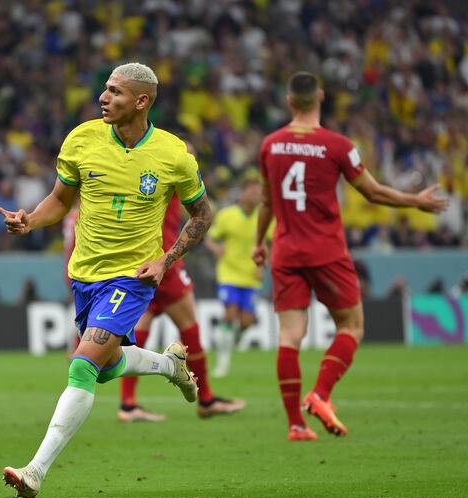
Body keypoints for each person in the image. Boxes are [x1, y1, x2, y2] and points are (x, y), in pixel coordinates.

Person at [0, 62, 213, 498]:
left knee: (83, 364)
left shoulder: (173, 155)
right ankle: (170, 366)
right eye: (105, 90)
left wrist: (166, 261)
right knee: (108, 366)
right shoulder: (81, 139)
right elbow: (59, 199)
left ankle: (35, 470)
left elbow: (202, 214)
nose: (103, 98)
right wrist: (29, 220)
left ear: (142, 101)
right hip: (85, 274)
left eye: (114, 92)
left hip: (131, 278)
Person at [253, 72, 448, 442]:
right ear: (320, 97)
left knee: (290, 338)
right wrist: (416, 201)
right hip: (326, 250)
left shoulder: (270, 145)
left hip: (286, 250)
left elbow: (266, 201)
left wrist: (258, 241)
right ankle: (321, 394)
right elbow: (373, 193)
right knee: (352, 327)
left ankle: (296, 424)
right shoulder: (338, 145)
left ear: (290, 102)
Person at [121, 189, 246, 422]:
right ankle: (206, 399)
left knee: (140, 327)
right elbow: (199, 211)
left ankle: (128, 403)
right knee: (190, 327)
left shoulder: (138, 164)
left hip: (138, 259)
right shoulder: (172, 162)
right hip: (164, 259)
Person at [205, 177, 270, 378]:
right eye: (253, 190)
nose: (257, 195)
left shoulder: (265, 215)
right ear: (243, 193)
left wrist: (264, 266)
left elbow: (271, 242)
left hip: (251, 276)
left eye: (260, 191)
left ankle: (227, 340)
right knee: (231, 313)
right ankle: (223, 361)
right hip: (229, 274)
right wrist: (217, 249)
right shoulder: (227, 215)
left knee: (246, 322)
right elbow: (209, 237)